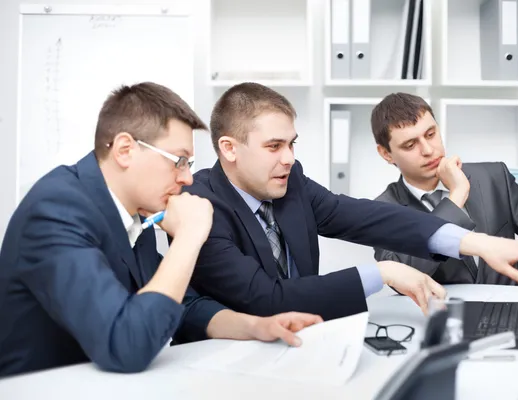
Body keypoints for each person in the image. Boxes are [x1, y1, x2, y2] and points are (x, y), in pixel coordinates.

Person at [0, 82, 322, 378]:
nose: (187, 179)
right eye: (178, 161)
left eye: (189, 165)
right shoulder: (57, 211)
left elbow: (179, 304)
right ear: (125, 150)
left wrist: (254, 326)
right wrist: (190, 236)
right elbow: (126, 345)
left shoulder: (131, 210)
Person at [182, 82, 518, 321]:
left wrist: (476, 242)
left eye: (291, 144)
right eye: (274, 146)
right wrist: (381, 274)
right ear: (229, 149)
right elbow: (265, 298)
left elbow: (369, 218)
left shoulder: (291, 181)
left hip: (304, 342)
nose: (289, 158)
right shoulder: (200, 203)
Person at [370, 92, 518, 287]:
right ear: (386, 153)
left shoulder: (494, 177)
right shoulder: (383, 209)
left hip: (506, 313)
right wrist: (455, 198)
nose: (428, 150)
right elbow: (401, 276)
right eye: (410, 144)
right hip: (442, 317)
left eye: (431, 134)